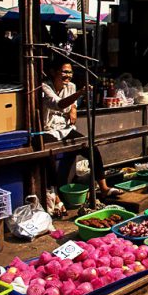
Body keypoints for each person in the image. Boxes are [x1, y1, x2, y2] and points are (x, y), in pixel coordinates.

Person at [41, 59, 112, 196]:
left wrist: (73, 107)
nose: (68, 75)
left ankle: (104, 188)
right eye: (64, 72)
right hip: (48, 130)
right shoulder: (45, 87)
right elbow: (59, 104)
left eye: (70, 72)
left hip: (66, 129)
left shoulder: (71, 87)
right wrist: (79, 94)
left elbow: (72, 104)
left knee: (91, 147)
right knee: (49, 157)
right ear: (53, 72)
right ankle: (54, 196)